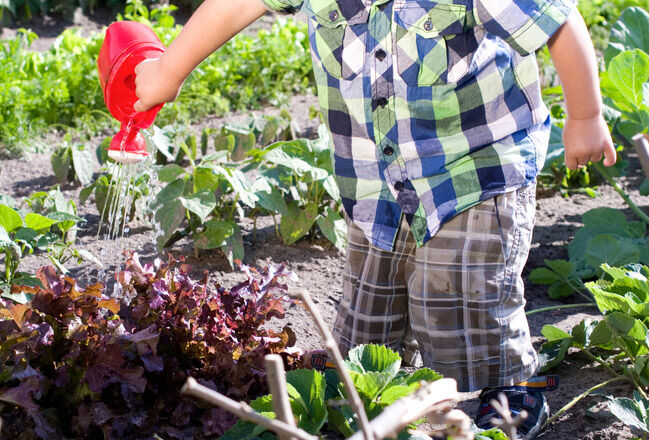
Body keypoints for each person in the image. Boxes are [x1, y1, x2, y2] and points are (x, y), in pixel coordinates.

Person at [133, 0, 616, 438]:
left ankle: (511, 388)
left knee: (462, 292)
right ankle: (373, 374)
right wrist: (169, 70)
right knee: (366, 311)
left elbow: (558, 21)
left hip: (475, 168)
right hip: (374, 181)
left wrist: (585, 116)